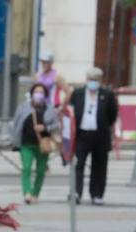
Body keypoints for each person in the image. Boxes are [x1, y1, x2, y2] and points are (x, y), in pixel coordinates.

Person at [68, 68, 117, 205]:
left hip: (100, 135)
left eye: (95, 80)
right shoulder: (78, 94)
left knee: (99, 166)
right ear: (86, 80)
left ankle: (97, 194)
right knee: (79, 164)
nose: (93, 83)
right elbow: (71, 111)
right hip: (82, 134)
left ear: (100, 81)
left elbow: (112, 114)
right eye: (90, 80)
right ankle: (76, 192)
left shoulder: (107, 95)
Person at [12, 83, 58, 205]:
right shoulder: (23, 107)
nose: (38, 95)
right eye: (36, 92)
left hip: (43, 144)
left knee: (41, 170)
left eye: (41, 92)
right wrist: (14, 140)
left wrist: (45, 127)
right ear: (31, 94)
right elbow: (16, 123)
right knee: (26, 168)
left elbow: (56, 125)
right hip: (26, 144)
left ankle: (35, 193)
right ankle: (27, 192)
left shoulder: (50, 109)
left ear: (45, 95)